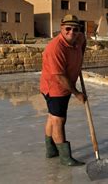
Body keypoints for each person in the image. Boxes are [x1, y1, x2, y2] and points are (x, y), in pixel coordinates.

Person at [40, 14, 87, 166]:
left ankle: (51, 150)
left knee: (52, 117)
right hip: (55, 87)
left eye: (75, 29)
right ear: (61, 28)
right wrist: (77, 93)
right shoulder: (55, 48)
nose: (72, 32)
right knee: (59, 120)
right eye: (68, 28)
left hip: (65, 84)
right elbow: (59, 77)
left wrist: (79, 59)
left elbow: (83, 43)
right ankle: (65, 157)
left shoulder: (79, 38)